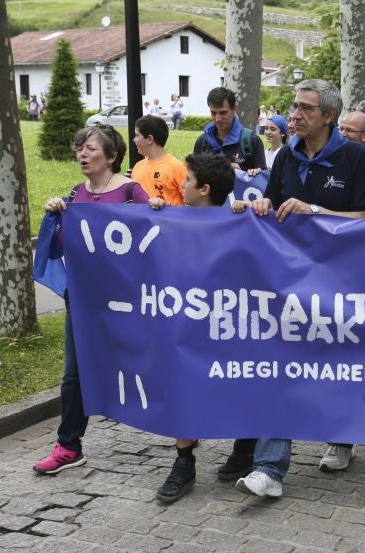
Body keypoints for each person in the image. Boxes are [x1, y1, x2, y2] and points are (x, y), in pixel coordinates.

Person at [241, 79, 365, 492]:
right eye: (294, 107)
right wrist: (262, 205)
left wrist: (315, 210)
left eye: (305, 109)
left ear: (329, 116)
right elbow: (270, 203)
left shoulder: (355, 156)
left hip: (340, 279)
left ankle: (340, 436)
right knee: (280, 365)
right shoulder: (284, 156)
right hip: (290, 280)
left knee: (335, 364)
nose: (294, 115)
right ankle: (269, 469)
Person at [32, 124, 150, 475]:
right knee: (74, 374)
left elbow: (162, 235)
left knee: (152, 363)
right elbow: (65, 245)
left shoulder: (132, 192)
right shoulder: (74, 197)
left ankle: (183, 432)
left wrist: (157, 208)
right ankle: (69, 446)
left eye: (91, 148)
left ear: (111, 156)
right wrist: (55, 215)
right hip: (84, 301)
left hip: (130, 301)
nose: (82, 153)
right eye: (79, 147)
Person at [149, 153, 236, 502]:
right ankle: (183, 462)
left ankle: (245, 446)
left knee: (240, 383)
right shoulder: (172, 220)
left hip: (230, 327)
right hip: (187, 325)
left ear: (205, 189)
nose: (180, 185)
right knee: (181, 383)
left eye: (187, 180)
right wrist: (149, 215)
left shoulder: (240, 221)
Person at [194, 87, 267, 172]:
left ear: (234, 109)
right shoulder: (203, 142)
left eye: (223, 113)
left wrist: (242, 173)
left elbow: (263, 180)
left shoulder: (251, 141)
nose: (218, 119)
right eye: (213, 113)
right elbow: (194, 179)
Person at [131, 115, 187, 207]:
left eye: (137, 135)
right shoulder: (138, 166)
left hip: (168, 221)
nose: (134, 140)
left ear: (149, 139)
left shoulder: (176, 167)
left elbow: (191, 204)